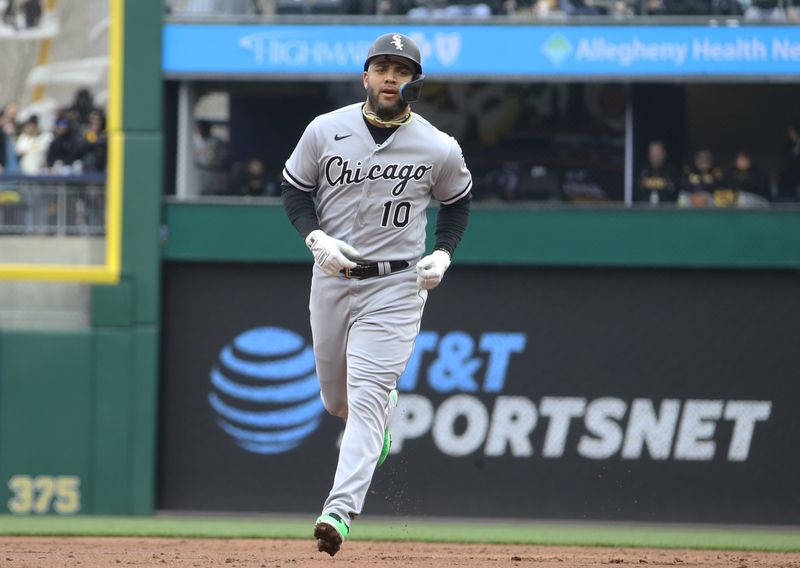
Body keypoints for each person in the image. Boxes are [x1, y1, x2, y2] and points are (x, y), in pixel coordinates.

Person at [280, 32, 472, 557]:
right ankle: (380, 410)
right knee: (336, 400)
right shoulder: (325, 130)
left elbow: (457, 203)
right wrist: (315, 237)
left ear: (415, 83)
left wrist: (444, 252)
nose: (391, 76)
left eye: (402, 70)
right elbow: (295, 189)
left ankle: (337, 512)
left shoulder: (437, 145)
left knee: (363, 399)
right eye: (382, 67)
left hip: (397, 284)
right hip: (333, 275)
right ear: (365, 76)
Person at [636, 140, 681, 204]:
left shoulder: (672, 170)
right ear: (649, 155)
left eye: (658, 153)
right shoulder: (642, 170)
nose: (656, 155)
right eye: (653, 153)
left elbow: (676, 189)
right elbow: (638, 188)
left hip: (667, 208)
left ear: (664, 154)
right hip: (645, 208)